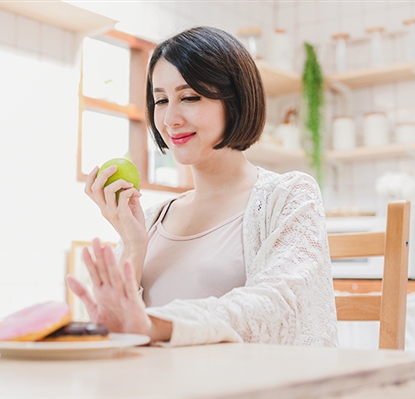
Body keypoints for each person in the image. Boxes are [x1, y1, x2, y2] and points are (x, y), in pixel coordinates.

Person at [66, 26, 339, 347]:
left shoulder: (289, 196)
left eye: (190, 97)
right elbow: (127, 334)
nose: (170, 119)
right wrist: (133, 245)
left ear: (235, 98)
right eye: (161, 100)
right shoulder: (151, 220)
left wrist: (158, 323)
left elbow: (281, 306)